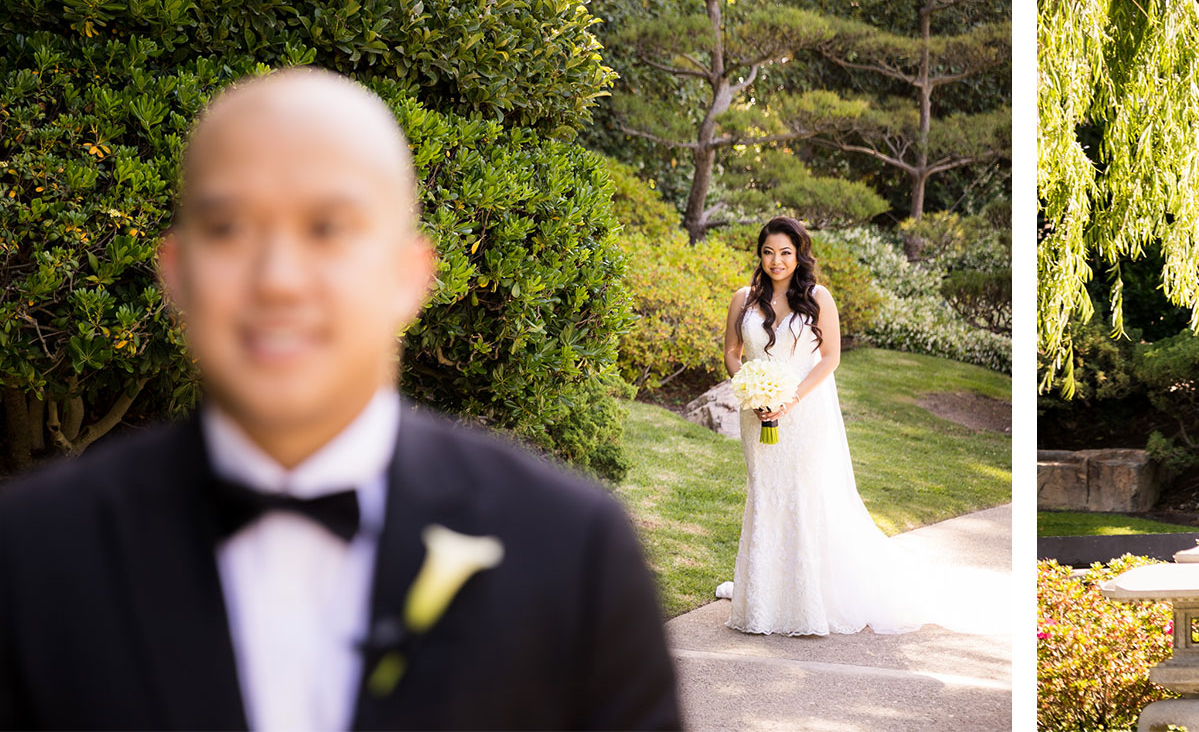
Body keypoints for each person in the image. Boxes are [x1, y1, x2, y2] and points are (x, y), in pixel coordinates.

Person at [0, 67, 685, 729]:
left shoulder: (572, 553)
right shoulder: (31, 557)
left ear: (410, 275)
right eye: (228, 228)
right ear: (176, 272)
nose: (278, 280)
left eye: (328, 227)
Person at [714, 217, 930, 636]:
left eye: (786, 253)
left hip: (803, 412)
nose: (776, 261)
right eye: (768, 252)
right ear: (759, 254)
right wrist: (752, 390)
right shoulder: (743, 298)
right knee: (764, 492)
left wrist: (787, 400)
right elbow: (731, 351)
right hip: (755, 411)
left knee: (802, 494)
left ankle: (806, 598)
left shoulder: (818, 297)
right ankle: (765, 597)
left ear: (799, 256)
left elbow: (830, 357)